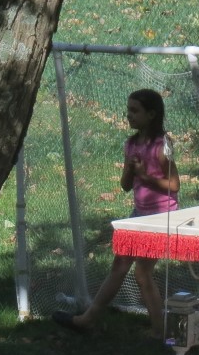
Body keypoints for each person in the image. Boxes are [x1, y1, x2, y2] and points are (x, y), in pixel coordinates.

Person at [53, 89, 180, 339]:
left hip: (160, 217)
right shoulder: (131, 144)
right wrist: (131, 170)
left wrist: (145, 175)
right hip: (138, 214)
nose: (129, 115)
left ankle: (160, 331)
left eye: (135, 111)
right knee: (119, 266)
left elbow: (174, 186)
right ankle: (89, 319)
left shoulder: (162, 145)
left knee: (142, 272)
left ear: (151, 114)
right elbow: (124, 185)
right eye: (128, 110)